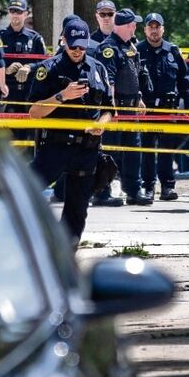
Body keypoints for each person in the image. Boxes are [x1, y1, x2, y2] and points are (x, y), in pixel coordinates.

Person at [27, 19, 113, 241]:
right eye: (73, 45)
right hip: (56, 146)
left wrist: (100, 125)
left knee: (77, 210)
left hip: (87, 148)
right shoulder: (49, 69)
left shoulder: (98, 68)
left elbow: (109, 109)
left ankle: (66, 252)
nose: (77, 51)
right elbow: (34, 112)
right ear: (64, 41)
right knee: (25, 190)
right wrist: (62, 96)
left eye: (82, 46)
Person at [95, 9, 151, 206]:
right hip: (116, 108)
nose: (135, 27)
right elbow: (108, 80)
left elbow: (135, 74)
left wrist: (140, 98)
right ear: (126, 26)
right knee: (110, 152)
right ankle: (102, 193)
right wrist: (112, 107)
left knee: (133, 151)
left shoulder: (131, 47)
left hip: (131, 108)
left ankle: (134, 191)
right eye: (133, 24)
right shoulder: (108, 48)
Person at [138, 12, 189, 201]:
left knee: (166, 148)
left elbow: (184, 82)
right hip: (146, 108)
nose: (154, 30)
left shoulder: (173, 51)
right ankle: (148, 187)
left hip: (169, 108)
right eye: (150, 27)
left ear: (163, 29)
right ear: (144, 29)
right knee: (146, 148)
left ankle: (167, 187)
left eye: (157, 27)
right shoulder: (137, 51)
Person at [0, 0, 47, 113]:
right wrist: (5, 70)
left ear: (25, 14)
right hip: (6, 93)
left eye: (19, 11)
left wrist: (29, 67)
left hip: (29, 92)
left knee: (29, 130)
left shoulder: (35, 38)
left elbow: (45, 64)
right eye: (12, 11)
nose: (15, 15)